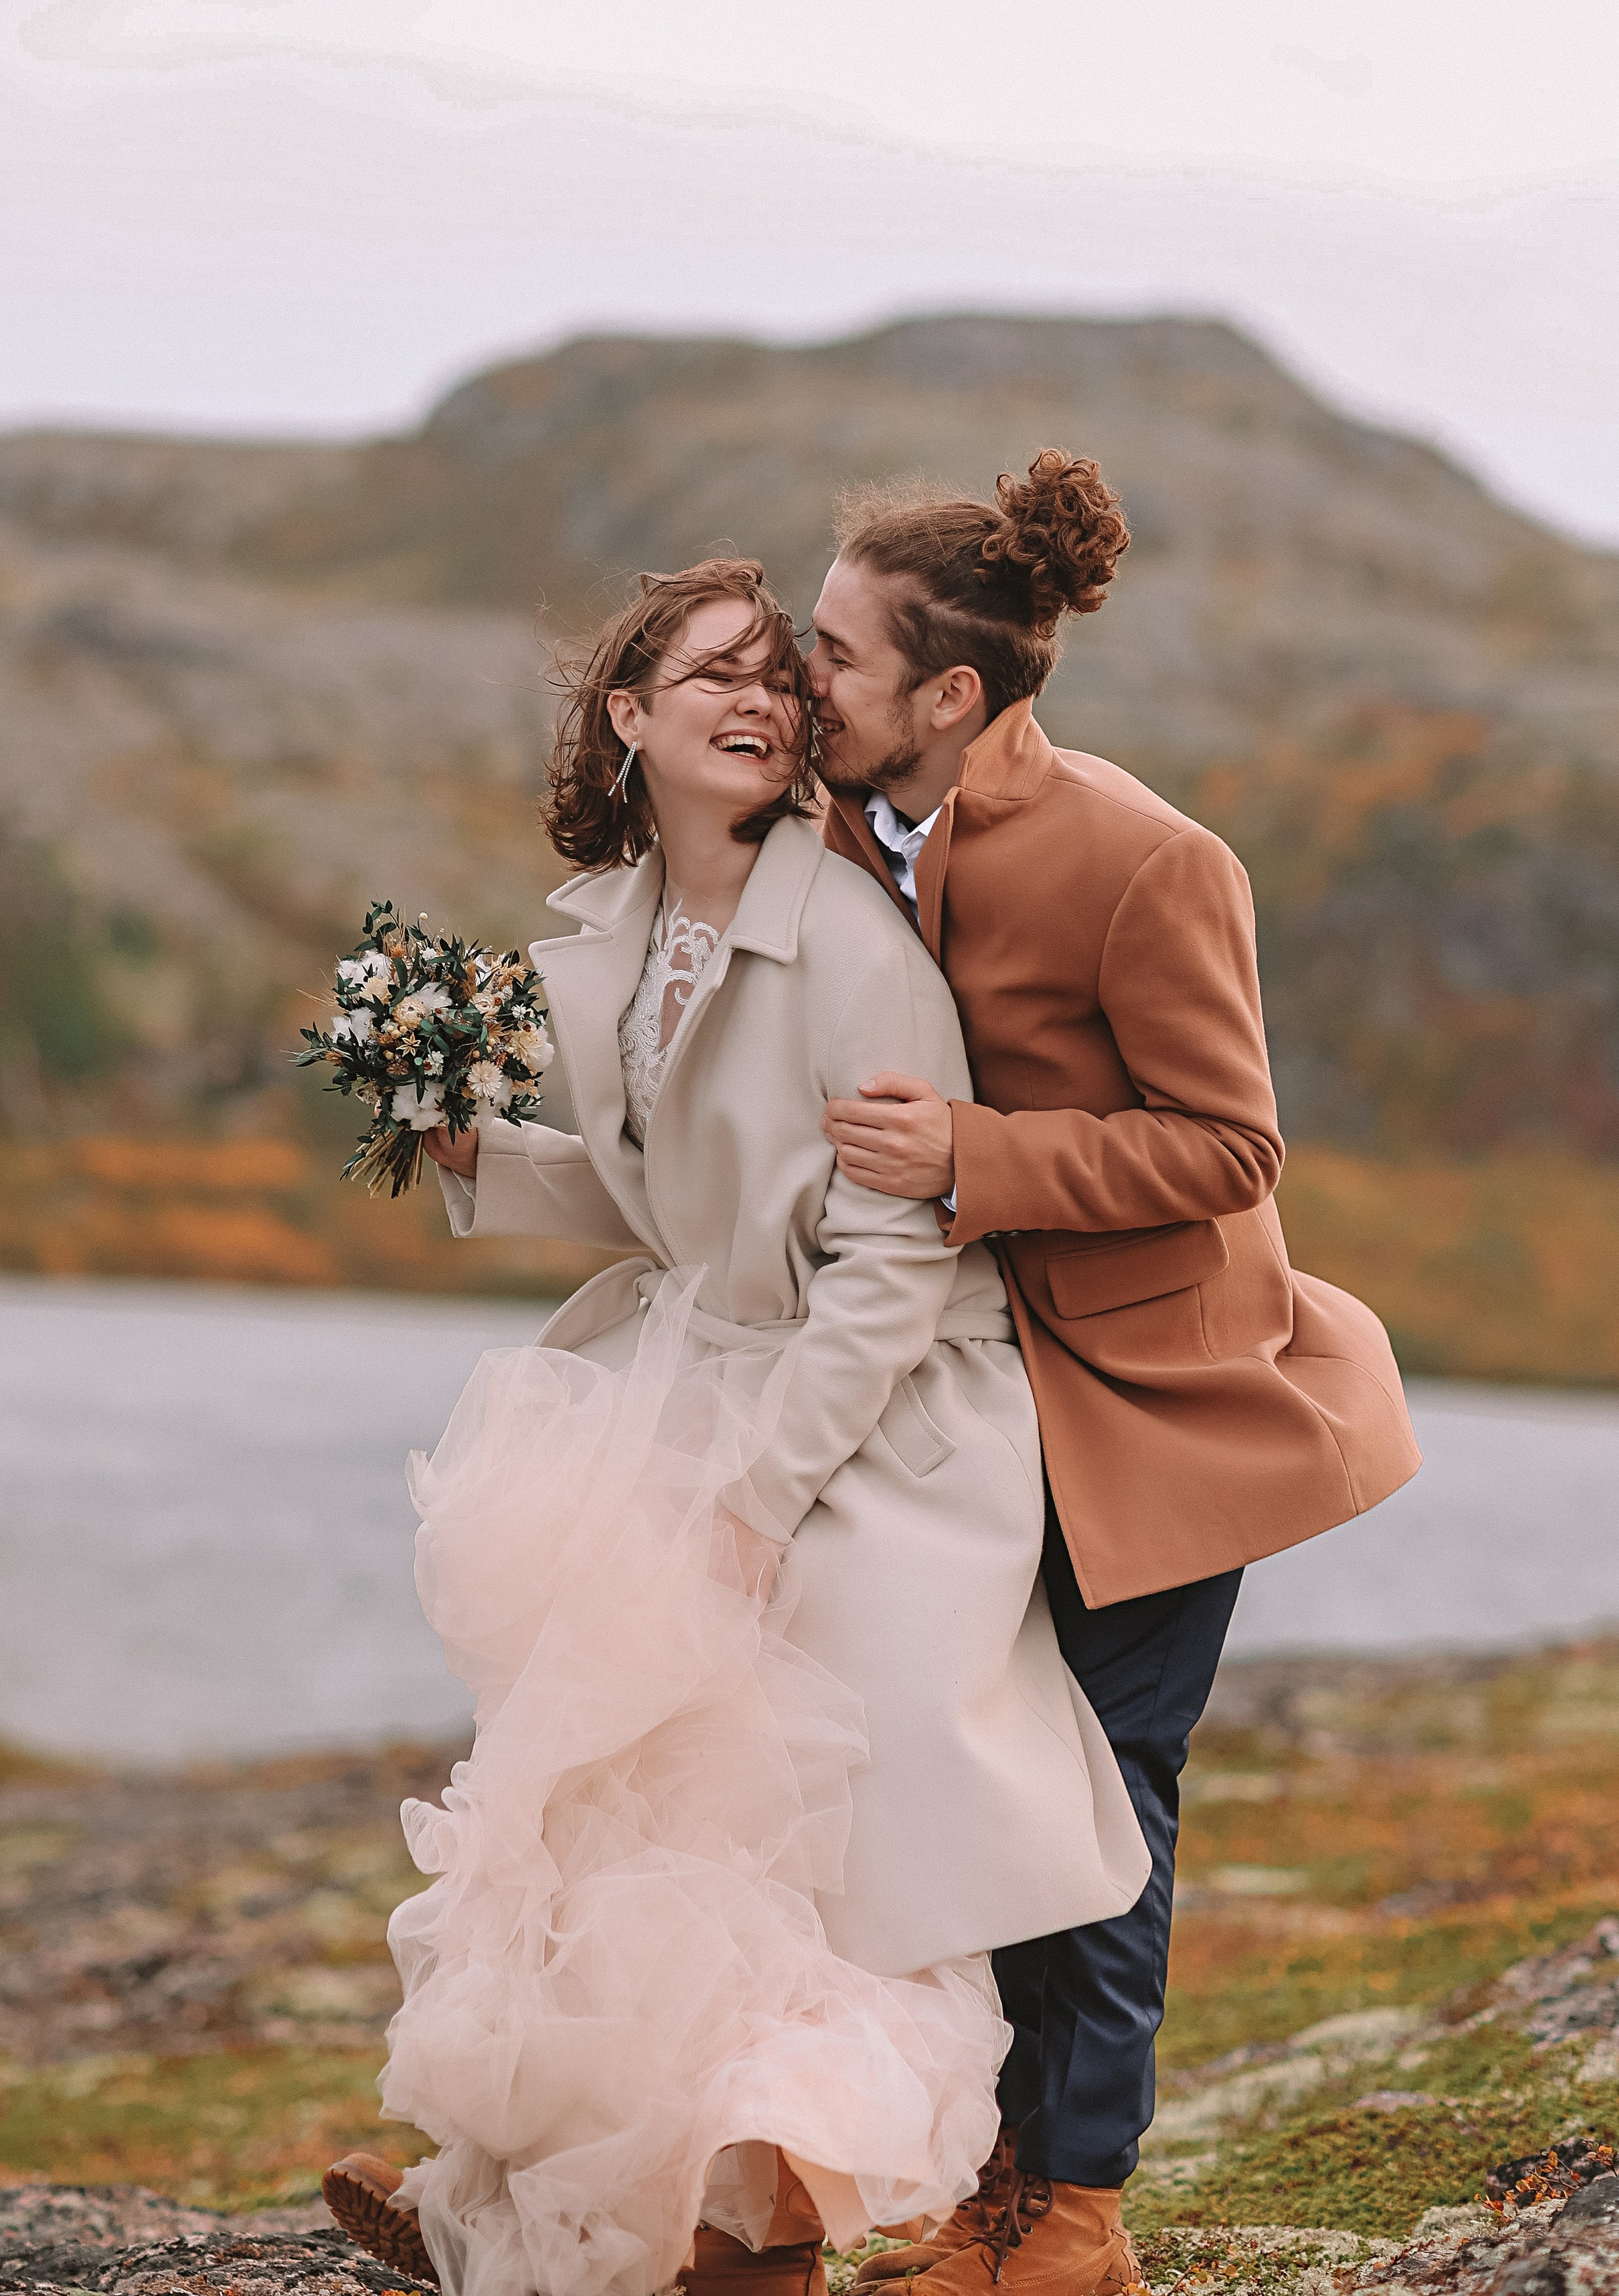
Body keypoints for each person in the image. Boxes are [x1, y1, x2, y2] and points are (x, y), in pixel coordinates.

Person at [321, 558, 1151, 2296]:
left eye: (779, 677)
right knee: (594, 1796)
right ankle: (542, 2191)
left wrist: (761, 1503)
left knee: (777, 1815)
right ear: (630, 717)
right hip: (706, 1376)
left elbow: (889, 1267)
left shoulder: (846, 938)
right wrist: (487, 1158)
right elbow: (670, 1202)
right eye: (713, 675)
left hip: (877, 1413)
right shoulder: (621, 925)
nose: (761, 700)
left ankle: (749, 2219)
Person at [807, 452, 1423, 2296]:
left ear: (949, 695)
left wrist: (981, 1158)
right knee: (957, 1784)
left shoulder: (1153, 856)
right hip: (964, 1409)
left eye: (831, 654)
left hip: (1163, 1408)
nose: (793, 677)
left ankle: (1080, 2215)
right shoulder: (834, 837)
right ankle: (985, 2185)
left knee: (1109, 1792)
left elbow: (1232, 1149)